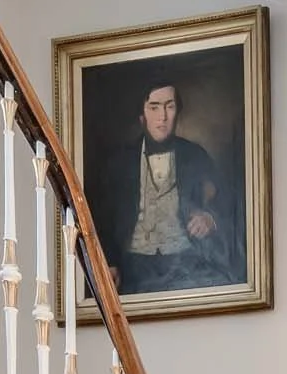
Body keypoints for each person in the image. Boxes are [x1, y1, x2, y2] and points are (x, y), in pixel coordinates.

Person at [98, 81, 240, 294]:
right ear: (142, 116)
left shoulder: (195, 155)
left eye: (169, 106)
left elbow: (227, 199)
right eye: (154, 107)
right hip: (134, 266)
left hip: (186, 262)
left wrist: (210, 218)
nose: (162, 117)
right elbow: (105, 218)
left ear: (178, 112)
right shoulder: (120, 162)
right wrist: (109, 262)